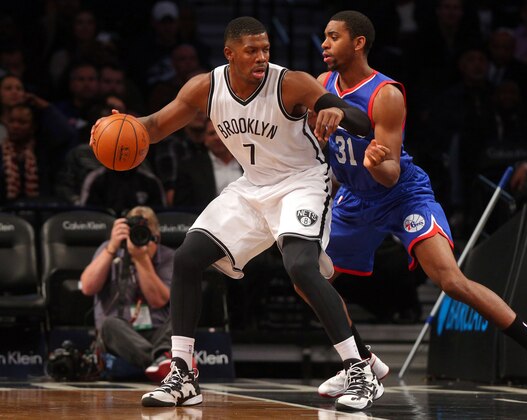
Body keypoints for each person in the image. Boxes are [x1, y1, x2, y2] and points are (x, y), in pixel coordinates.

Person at [91, 17, 377, 411]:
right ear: (229, 53)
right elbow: (155, 126)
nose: (261, 57)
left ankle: (358, 369)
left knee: (300, 267)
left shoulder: (290, 82)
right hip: (252, 186)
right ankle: (182, 374)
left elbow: (363, 122)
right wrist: (119, 126)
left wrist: (339, 113)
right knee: (189, 258)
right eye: (252, 51)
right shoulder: (205, 87)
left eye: (265, 49)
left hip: (302, 182)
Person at [305, 10, 527, 403]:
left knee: (450, 280)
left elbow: (391, 172)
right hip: (355, 197)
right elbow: (333, 155)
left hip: (401, 194)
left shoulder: (386, 94)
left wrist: (375, 162)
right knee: (309, 277)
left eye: (333, 37)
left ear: (359, 43)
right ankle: (361, 363)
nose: (324, 44)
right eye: (324, 37)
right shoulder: (322, 84)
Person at [79, 206, 175, 382]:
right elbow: (87, 287)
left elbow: (159, 301)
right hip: (119, 338)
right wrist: (111, 247)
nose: (140, 242)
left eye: (145, 236)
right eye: (135, 235)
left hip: (157, 337)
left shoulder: (169, 256)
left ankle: (160, 358)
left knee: (180, 313)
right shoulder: (109, 248)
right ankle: (160, 363)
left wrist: (141, 259)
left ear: (157, 238)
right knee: (109, 325)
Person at [173, 118, 242, 210]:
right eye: (212, 133)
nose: (217, 137)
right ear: (205, 139)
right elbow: (182, 210)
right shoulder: (189, 168)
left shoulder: (249, 163)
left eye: (221, 132)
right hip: (207, 221)